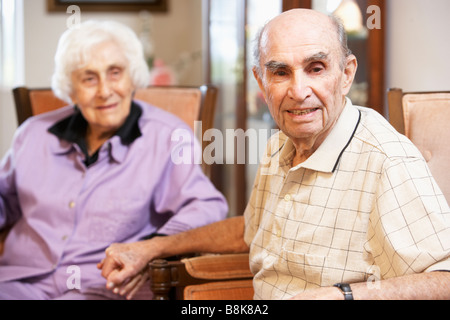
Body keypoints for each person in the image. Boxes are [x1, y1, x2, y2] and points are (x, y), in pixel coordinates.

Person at [100, 9, 450, 300]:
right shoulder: (279, 146)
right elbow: (250, 232)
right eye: (280, 72)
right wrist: (153, 248)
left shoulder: (386, 159)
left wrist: (344, 295)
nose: (298, 92)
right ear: (261, 82)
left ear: (346, 74)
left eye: (316, 68)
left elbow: (445, 279)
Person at [0, 20, 228, 300]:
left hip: (103, 287)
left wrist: (153, 248)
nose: (104, 90)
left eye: (115, 73)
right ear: (70, 89)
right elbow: (5, 200)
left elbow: (206, 207)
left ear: (133, 77)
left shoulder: (168, 137)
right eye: (89, 78)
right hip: (19, 281)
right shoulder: (33, 134)